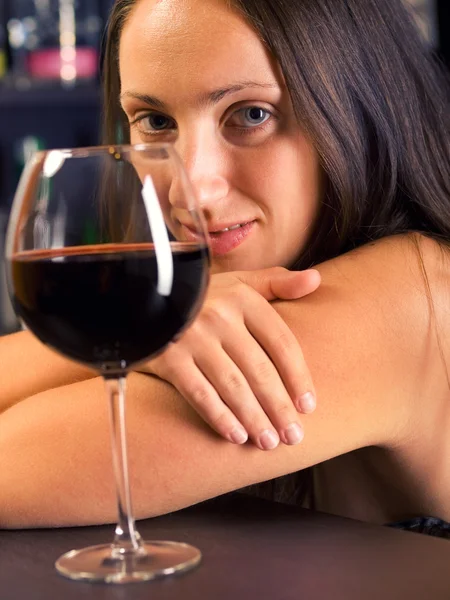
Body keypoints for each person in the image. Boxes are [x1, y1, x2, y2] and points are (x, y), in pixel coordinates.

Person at [0, 0, 449, 534]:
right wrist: (155, 331)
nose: (195, 186)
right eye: (156, 121)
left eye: (251, 114)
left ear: (361, 107)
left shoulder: (409, 293)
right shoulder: (230, 307)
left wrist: (141, 329)